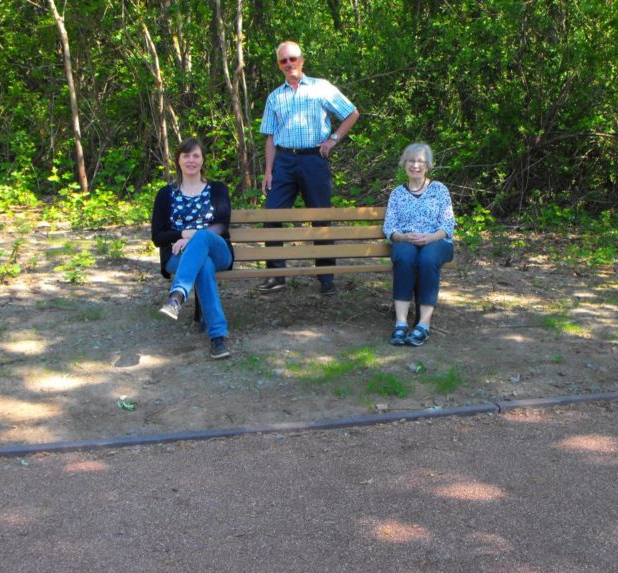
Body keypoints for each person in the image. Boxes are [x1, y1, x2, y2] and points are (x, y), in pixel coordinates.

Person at [258, 40, 360, 296]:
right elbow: (269, 137)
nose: (289, 64)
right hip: (284, 161)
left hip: (314, 160)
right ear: (279, 65)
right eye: (283, 61)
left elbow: (352, 113)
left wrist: (332, 140)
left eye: (293, 59)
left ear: (302, 60)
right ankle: (275, 275)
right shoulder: (275, 97)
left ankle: (326, 278)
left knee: (321, 218)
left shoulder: (320, 87)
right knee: (272, 214)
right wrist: (268, 170)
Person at [151, 137, 235, 359]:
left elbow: (221, 225)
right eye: (186, 155)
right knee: (203, 264)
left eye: (195, 155)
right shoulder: (165, 194)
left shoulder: (217, 189)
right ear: (178, 160)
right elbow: (158, 237)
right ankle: (218, 338)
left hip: (218, 250)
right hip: (178, 256)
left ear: (202, 160)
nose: (191, 160)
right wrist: (182, 234)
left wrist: (193, 237)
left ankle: (177, 296)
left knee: (202, 240)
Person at [383, 143, 456, 346]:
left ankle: (423, 324)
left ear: (428, 165)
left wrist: (430, 238)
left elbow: (448, 225)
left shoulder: (439, 190)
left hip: (437, 241)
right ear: (404, 164)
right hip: (406, 241)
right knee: (404, 257)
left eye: (420, 161)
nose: (415, 165)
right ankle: (400, 323)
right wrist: (404, 237)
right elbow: (390, 228)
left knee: (428, 259)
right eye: (411, 160)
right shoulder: (397, 193)